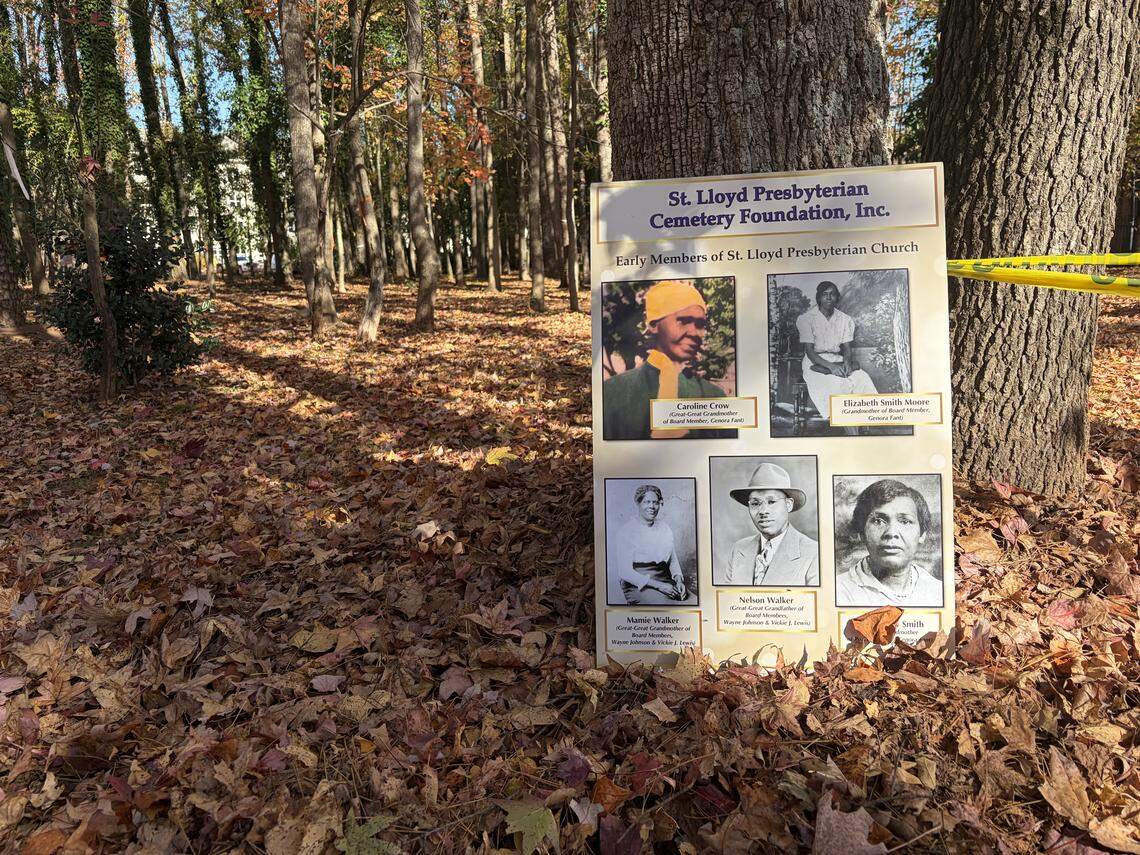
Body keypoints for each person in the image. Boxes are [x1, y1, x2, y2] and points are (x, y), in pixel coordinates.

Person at [602, 279, 736, 440]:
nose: (694, 333)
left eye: (700, 324)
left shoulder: (713, 395)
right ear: (653, 324)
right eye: (684, 321)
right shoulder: (613, 392)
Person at [835, 479, 943, 607]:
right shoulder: (839, 591)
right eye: (878, 521)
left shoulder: (936, 591)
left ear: (922, 534)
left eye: (905, 521)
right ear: (862, 533)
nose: (891, 533)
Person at [795, 281, 878, 433]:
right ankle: (853, 433)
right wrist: (831, 368)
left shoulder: (845, 319)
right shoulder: (807, 319)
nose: (828, 298)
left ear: (837, 298)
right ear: (819, 297)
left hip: (837, 359)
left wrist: (846, 363)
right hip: (815, 362)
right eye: (825, 294)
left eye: (832, 294)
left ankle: (864, 425)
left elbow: (847, 348)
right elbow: (810, 352)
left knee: (862, 378)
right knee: (837, 384)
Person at [717, 462, 819, 586]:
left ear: (788, 504)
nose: (763, 511)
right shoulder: (739, 549)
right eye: (755, 503)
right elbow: (728, 599)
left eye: (771, 502)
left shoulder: (814, 552)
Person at [609, 484, 693, 605]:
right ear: (638, 504)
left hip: (665, 580)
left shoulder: (665, 528)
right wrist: (660, 586)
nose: (652, 507)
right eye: (647, 502)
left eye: (655, 502)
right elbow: (624, 572)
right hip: (639, 584)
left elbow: (672, 560)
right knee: (669, 608)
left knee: (691, 602)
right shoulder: (626, 531)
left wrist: (679, 580)